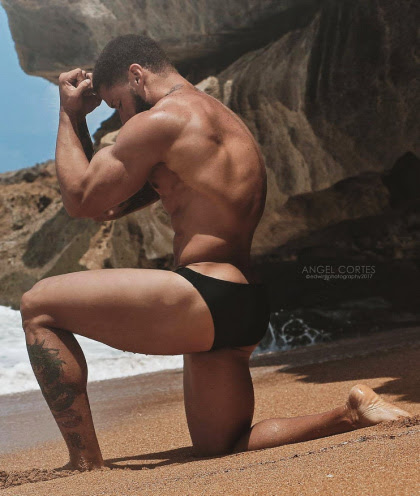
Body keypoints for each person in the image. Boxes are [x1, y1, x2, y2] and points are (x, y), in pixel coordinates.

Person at [20, 35, 412, 471]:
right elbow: (106, 207)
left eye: (117, 104)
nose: (121, 117)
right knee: (221, 444)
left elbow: (80, 200)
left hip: (203, 294)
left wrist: (70, 113)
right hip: (242, 303)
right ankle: (352, 412)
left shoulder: (160, 121)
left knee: (38, 306)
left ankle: (85, 463)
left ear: (137, 76)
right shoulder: (223, 121)